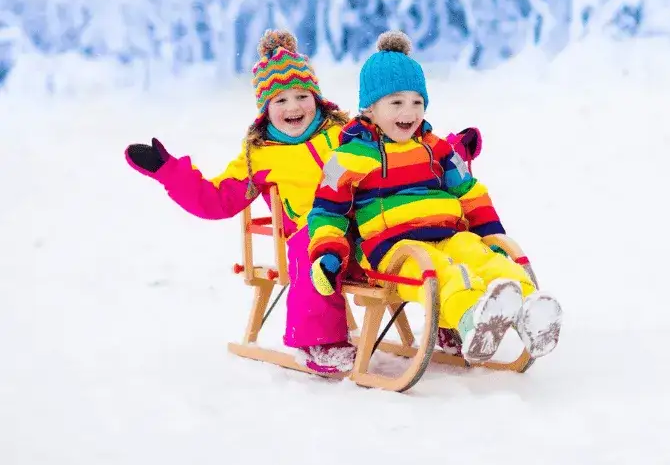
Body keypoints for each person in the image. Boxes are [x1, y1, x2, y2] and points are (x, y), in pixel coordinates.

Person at [306, 31, 563, 363]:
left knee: (479, 255)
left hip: (448, 234)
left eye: (418, 102)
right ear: (369, 109)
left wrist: (491, 237)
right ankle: (471, 320)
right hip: (393, 249)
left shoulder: (438, 148)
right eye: (396, 102)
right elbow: (328, 210)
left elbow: (470, 192)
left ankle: (530, 311)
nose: (409, 112)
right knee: (443, 272)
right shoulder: (347, 158)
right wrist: (327, 253)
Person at [124, 29, 358, 374]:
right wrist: (169, 172)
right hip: (314, 236)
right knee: (308, 247)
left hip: (364, 224)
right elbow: (217, 200)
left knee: (419, 225)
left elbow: (391, 156)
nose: (293, 107)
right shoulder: (259, 157)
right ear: (265, 110)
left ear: (317, 98)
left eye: (302, 96)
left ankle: (441, 320)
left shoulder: (345, 134)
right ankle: (319, 342)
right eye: (280, 100)